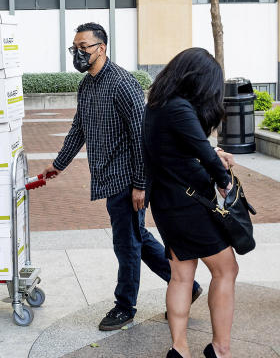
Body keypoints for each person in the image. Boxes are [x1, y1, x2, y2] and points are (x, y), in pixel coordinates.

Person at [46, 23, 202, 331]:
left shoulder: (122, 83)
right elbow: (79, 128)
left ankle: (125, 305)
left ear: (101, 48)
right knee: (138, 238)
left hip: (127, 179)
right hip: (108, 177)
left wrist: (140, 185)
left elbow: (140, 136)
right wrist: (59, 164)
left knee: (126, 243)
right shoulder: (87, 85)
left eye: (83, 48)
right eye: (73, 48)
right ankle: (187, 286)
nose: (77, 53)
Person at [142, 48, 245, 358]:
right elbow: (201, 152)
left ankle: (180, 346)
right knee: (226, 268)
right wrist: (225, 179)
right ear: (198, 80)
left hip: (168, 203)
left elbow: (174, 150)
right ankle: (221, 349)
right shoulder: (180, 108)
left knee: (182, 275)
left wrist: (211, 154)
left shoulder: (158, 106)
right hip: (188, 205)